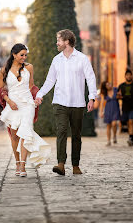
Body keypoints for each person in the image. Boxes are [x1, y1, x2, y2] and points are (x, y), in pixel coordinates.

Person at [35, 29, 97, 176]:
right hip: (60, 102)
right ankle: (61, 164)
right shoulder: (56, 60)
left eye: (59, 40)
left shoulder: (82, 59)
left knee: (76, 134)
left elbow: (91, 78)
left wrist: (92, 98)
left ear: (67, 42)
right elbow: (50, 80)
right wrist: (40, 94)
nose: (57, 43)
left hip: (77, 103)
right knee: (61, 131)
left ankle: (76, 165)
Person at [0, 43, 51, 177]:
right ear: (14, 55)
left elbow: (31, 85)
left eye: (25, 55)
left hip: (27, 104)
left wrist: (37, 96)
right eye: (22, 55)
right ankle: (17, 162)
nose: (24, 57)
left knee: (25, 133)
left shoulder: (29, 67)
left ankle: (23, 165)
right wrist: (9, 101)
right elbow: (1, 90)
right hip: (13, 104)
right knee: (14, 135)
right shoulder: (4, 70)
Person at [100, 81, 120, 146]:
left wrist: (119, 96)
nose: (109, 85)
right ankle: (108, 141)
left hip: (115, 109)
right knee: (108, 126)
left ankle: (114, 136)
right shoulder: (104, 93)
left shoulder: (116, 89)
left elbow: (120, 96)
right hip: (108, 110)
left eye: (109, 84)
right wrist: (101, 112)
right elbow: (102, 103)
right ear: (105, 87)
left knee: (114, 124)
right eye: (107, 85)